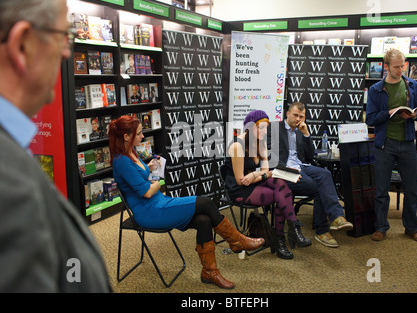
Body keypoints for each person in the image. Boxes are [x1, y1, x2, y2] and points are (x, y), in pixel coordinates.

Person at [0, 0, 111, 291]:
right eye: (63, 35)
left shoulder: (12, 151)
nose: (66, 52)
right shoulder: (8, 184)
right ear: (23, 45)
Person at [108, 115, 264, 289]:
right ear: (126, 137)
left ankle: (210, 272)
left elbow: (141, 180)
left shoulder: (131, 152)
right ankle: (236, 241)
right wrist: (157, 183)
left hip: (158, 202)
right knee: (204, 202)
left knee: (204, 220)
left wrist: (149, 169)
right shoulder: (121, 161)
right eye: (139, 133)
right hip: (149, 211)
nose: (142, 136)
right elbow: (145, 192)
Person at [224, 110, 311, 260]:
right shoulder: (237, 146)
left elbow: (265, 170)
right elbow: (240, 180)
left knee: (280, 185)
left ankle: (286, 233)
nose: (265, 131)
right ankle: (284, 235)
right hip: (239, 190)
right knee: (282, 193)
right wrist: (261, 174)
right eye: (261, 128)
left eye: (266, 127)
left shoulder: (260, 143)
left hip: (253, 181)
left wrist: (254, 174)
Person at [366, 49, 417, 243]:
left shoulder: (412, 86)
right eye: (396, 66)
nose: (401, 69)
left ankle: (412, 228)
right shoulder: (376, 89)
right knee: (382, 190)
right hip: (385, 144)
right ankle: (381, 227)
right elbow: (370, 118)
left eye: (403, 65)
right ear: (386, 67)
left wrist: (415, 115)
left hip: (408, 143)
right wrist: (389, 112)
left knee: (412, 189)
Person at [272, 102, 353, 248]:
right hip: (286, 172)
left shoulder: (299, 131)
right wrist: (290, 172)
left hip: (302, 166)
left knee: (325, 174)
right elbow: (271, 159)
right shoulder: (275, 129)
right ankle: (322, 231)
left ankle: (337, 217)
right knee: (319, 188)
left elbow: (310, 157)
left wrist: (306, 134)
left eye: (301, 117)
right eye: (295, 115)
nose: (298, 119)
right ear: (287, 114)